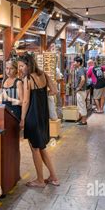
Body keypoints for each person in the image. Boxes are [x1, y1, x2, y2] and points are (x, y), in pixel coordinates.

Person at [18, 53, 59, 188]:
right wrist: (42, 95)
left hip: (32, 117)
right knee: (42, 147)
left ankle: (40, 180)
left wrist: (22, 119)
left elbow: (25, 101)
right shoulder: (44, 75)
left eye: (22, 66)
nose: (20, 69)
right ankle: (53, 176)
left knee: (35, 149)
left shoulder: (28, 79)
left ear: (28, 65)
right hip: (42, 116)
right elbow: (54, 90)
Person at [73, 57, 88, 126]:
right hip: (83, 90)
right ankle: (83, 119)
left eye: (75, 62)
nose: (74, 63)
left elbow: (83, 79)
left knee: (81, 105)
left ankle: (84, 121)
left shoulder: (80, 70)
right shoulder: (82, 69)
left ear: (78, 63)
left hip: (81, 91)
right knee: (82, 104)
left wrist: (79, 87)